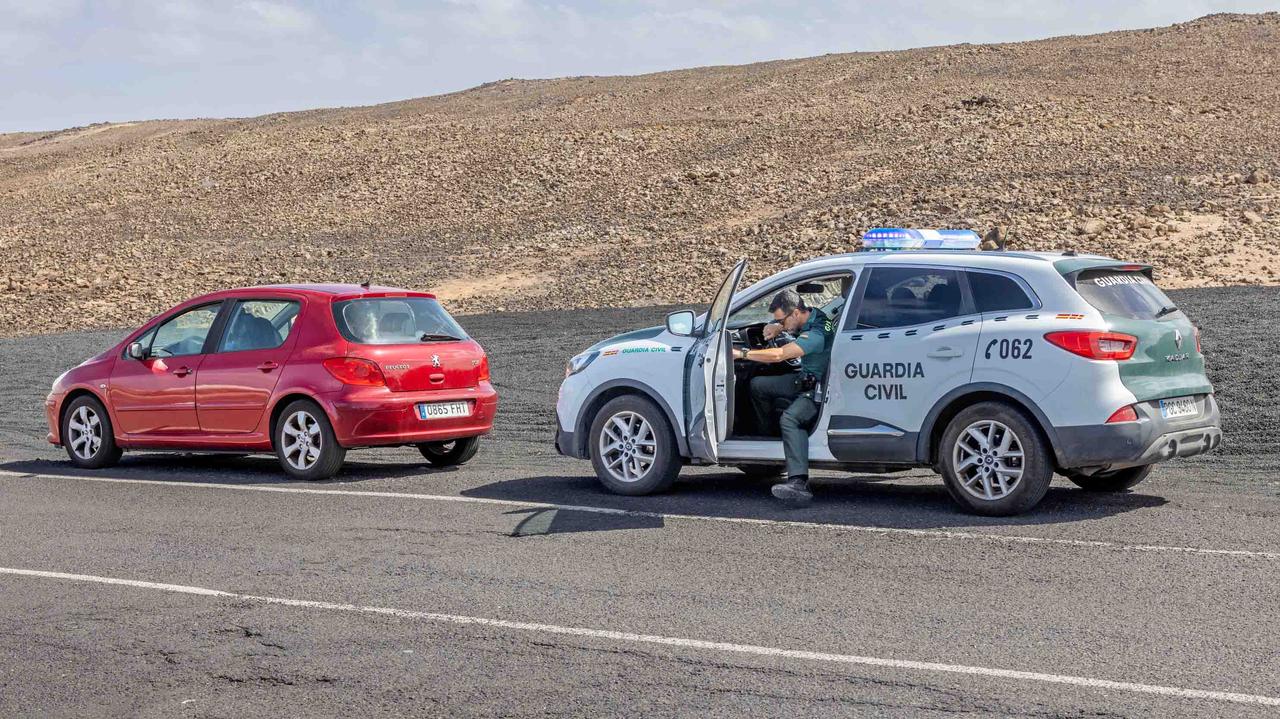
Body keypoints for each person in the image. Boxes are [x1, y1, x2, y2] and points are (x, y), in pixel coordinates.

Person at [732, 289, 835, 506]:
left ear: (796, 313)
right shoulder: (815, 315)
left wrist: (741, 354)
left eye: (781, 319)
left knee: (790, 419)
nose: (779, 323)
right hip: (802, 378)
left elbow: (780, 355)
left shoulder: (817, 333)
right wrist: (778, 326)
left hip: (817, 389)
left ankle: (798, 482)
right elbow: (793, 328)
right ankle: (766, 443)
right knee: (758, 385)